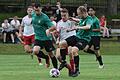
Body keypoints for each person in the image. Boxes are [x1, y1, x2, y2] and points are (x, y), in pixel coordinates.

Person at [59, 6, 93, 77]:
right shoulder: (82, 19)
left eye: (79, 14)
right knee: (62, 43)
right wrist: (72, 20)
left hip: (84, 39)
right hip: (77, 37)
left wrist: (77, 27)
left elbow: (88, 27)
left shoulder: (89, 19)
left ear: (84, 13)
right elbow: (79, 21)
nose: (79, 15)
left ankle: (77, 70)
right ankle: (63, 62)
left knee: (74, 51)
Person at [32, 3, 58, 69]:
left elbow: (54, 27)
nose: (36, 12)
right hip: (38, 37)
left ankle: (56, 69)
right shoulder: (33, 15)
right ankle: (46, 58)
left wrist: (49, 30)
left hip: (46, 38)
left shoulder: (45, 17)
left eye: (38, 10)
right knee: (35, 51)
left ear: (41, 8)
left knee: (51, 54)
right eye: (35, 10)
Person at [55, 8, 76, 76]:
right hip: (62, 43)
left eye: (65, 15)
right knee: (58, 56)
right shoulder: (59, 23)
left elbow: (81, 22)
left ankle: (73, 71)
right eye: (62, 16)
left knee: (70, 53)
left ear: (68, 15)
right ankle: (69, 68)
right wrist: (57, 37)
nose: (63, 17)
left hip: (71, 41)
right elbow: (58, 34)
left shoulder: (72, 21)